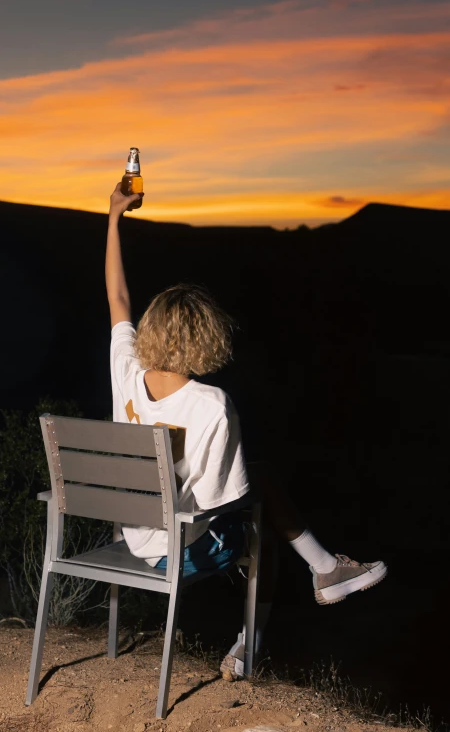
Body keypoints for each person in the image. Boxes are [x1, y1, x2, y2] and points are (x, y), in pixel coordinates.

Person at [105, 182, 387, 682]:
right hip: (174, 552)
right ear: (206, 337)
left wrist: (113, 217)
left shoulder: (124, 370)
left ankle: (323, 573)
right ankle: (254, 640)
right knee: (263, 516)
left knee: (262, 485)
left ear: (150, 328)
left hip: (132, 539)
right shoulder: (211, 404)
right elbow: (220, 500)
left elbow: (118, 296)